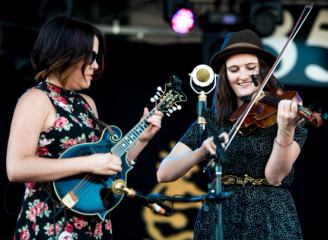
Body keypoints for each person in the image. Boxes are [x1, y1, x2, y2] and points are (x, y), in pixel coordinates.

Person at [6, 15, 163, 239]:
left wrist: (142, 139)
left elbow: (107, 163)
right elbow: (16, 167)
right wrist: (89, 162)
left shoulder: (87, 103)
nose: (96, 65)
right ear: (67, 53)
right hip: (51, 222)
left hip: (91, 222)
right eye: (91, 57)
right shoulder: (36, 99)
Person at [157, 29, 308, 239]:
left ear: (264, 71)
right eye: (234, 69)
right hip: (220, 214)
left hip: (270, 217)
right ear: (225, 76)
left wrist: (285, 130)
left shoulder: (285, 118)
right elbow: (164, 173)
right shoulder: (210, 120)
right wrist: (201, 152)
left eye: (251, 68)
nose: (243, 76)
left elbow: (274, 177)